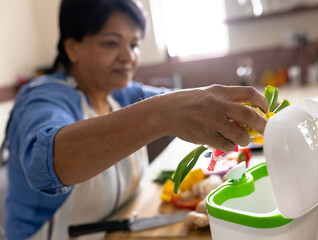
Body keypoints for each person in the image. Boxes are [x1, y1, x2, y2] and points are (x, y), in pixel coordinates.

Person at [2, 0, 268, 239]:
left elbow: (184, 102)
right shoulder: (43, 97)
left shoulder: (120, 93)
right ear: (72, 48)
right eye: (111, 43)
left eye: (134, 44)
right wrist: (161, 114)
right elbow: (43, 163)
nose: (128, 56)